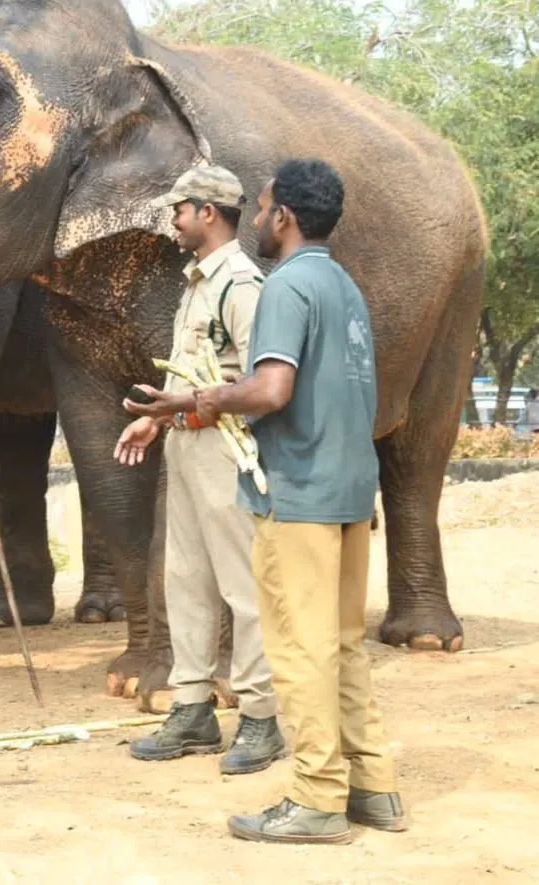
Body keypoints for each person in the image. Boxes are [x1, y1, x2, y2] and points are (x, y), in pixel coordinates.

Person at [145, 159, 402, 844]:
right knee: (343, 643)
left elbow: (271, 389)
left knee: (301, 648)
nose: (256, 220)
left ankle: (318, 796)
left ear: (284, 216)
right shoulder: (344, 285)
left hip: (298, 495)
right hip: (349, 489)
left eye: (261, 209)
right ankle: (371, 785)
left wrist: (192, 398)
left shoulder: (285, 286)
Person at [117, 163, 283, 774]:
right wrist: (156, 418)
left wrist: (182, 408)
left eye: (179, 211)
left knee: (244, 586)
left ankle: (261, 718)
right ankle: (193, 709)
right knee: (185, 579)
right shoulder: (196, 282)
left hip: (227, 450)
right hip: (186, 446)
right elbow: (193, 372)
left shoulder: (241, 283)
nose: (173, 223)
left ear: (208, 213)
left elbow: (262, 381)